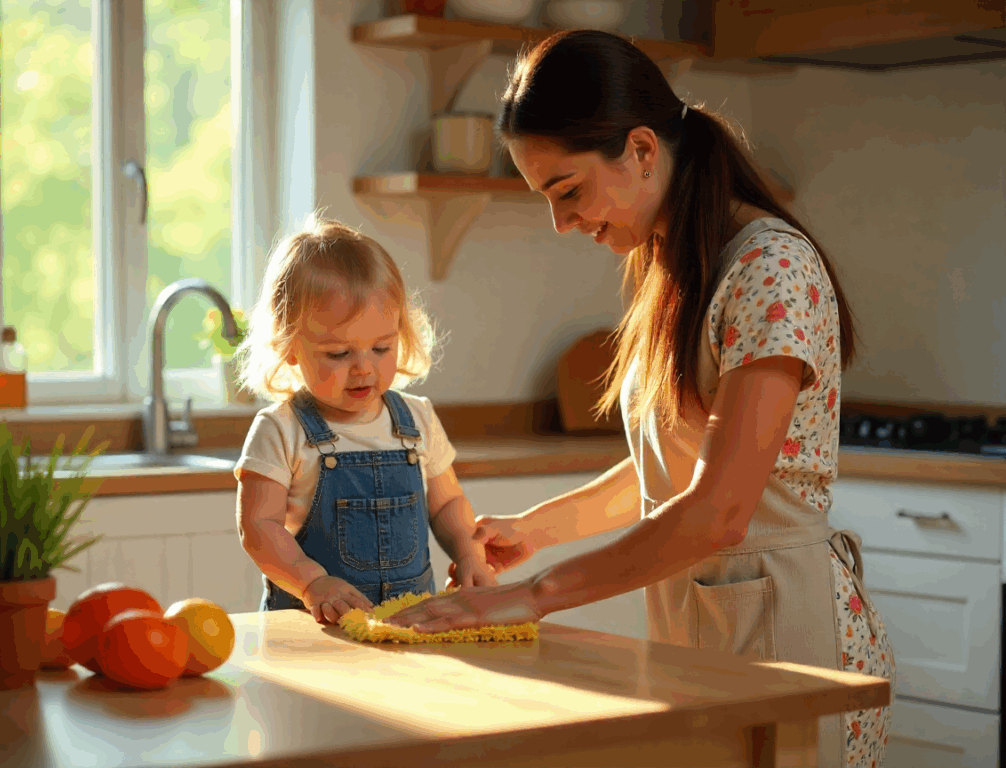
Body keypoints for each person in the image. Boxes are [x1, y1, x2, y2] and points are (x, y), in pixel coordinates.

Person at [388, 30, 895, 767]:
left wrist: (533, 596)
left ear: (642, 150)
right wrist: (541, 528)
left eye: (568, 192)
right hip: (705, 633)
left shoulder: (772, 268)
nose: (563, 224)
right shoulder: (675, 266)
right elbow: (674, 472)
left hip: (792, 636)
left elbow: (719, 508)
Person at [233, 215, 496, 625]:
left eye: (381, 347)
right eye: (339, 354)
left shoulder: (418, 418)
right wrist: (310, 583)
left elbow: (446, 502)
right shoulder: (280, 429)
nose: (363, 369)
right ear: (289, 346)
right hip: (312, 633)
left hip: (412, 624)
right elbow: (258, 526)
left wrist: (467, 552)